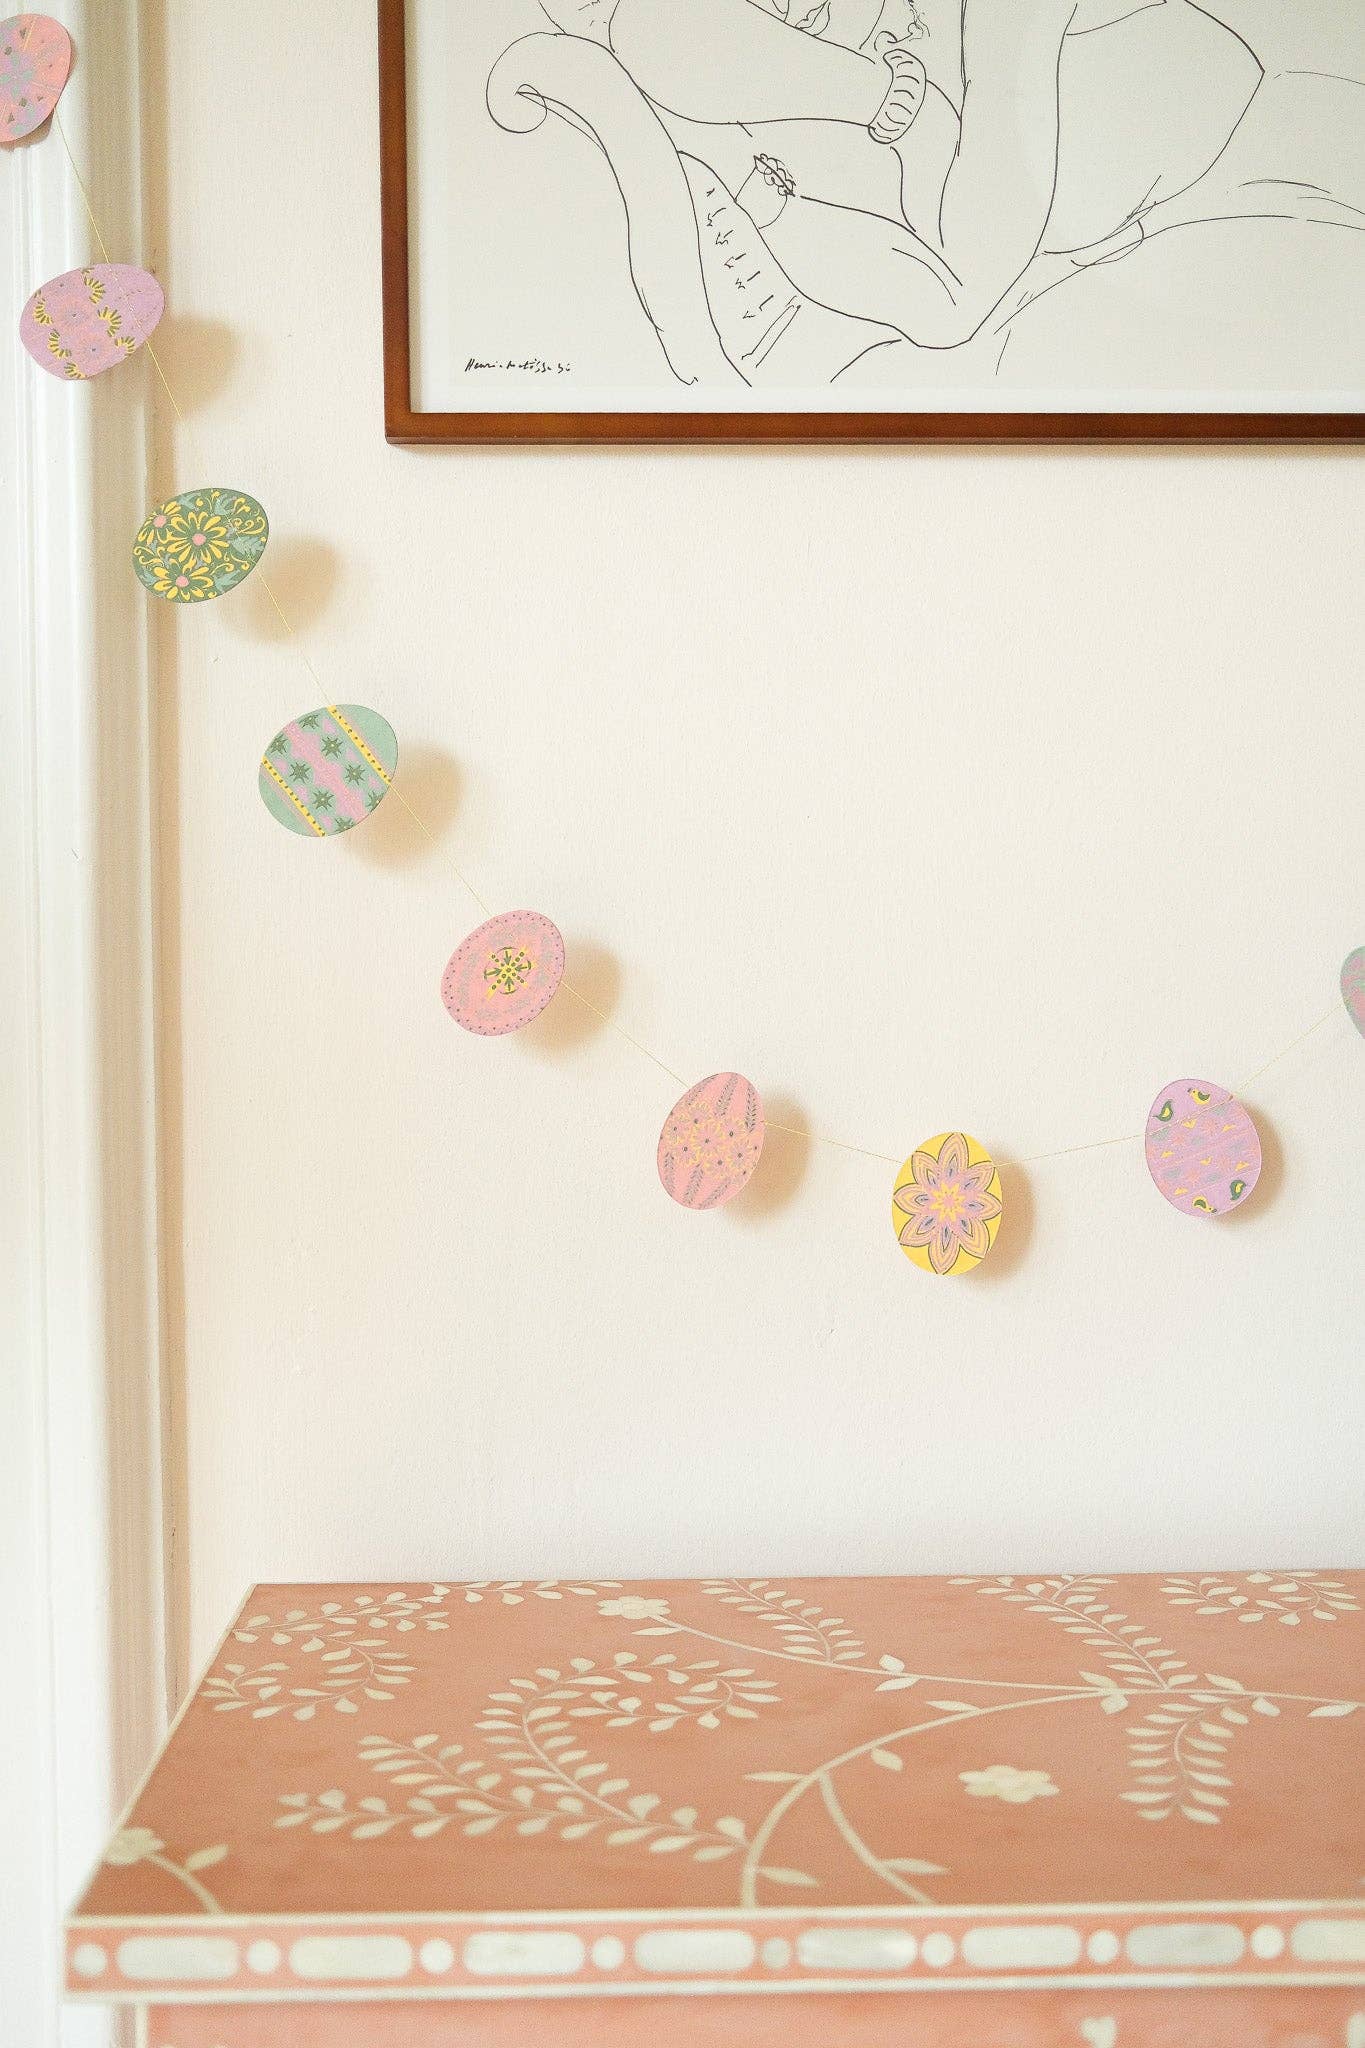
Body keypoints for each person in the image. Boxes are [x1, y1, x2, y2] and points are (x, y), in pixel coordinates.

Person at [551, 0, 1266, 347]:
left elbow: (947, 304)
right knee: (651, 31)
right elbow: (943, 305)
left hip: (1099, 102)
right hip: (983, 148)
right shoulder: (770, 137)